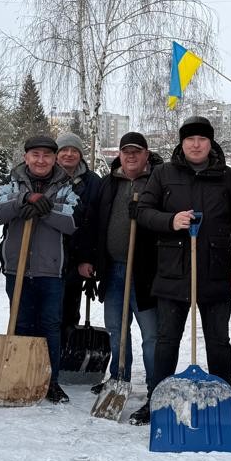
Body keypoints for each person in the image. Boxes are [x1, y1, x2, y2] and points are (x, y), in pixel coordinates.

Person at [131, 116, 231, 428]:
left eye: (202, 139)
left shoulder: (228, 177)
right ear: (181, 143)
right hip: (173, 270)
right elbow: (143, 213)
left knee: (218, 342)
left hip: (214, 270)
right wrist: (171, 221)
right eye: (190, 139)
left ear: (210, 143)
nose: (196, 144)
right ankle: (157, 401)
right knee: (167, 341)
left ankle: (226, 403)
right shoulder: (164, 174)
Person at [0, 134, 81, 403]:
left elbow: (72, 221)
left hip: (51, 270)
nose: (41, 160)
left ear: (54, 159)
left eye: (46, 155)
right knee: (21, 323)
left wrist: (45, 209)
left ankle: (50, 380)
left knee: (50, 326)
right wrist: (23, 201)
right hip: (17, 267)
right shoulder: (12, 182)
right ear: (26, 157)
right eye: (35, 155)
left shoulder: (67, 185)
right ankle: (20, 377)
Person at [79, 131, 163, 392]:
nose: (131, 156)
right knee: (117, 330)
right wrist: (86, 258)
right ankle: (119, 378)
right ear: (119, 155)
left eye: (137, 151)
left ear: (146, 155)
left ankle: (155, 384)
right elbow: (92, 222)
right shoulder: (108, 184)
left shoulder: (158, 182)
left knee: (151, 334)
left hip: (146, 272)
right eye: (126, 151)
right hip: (113, 270)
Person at [55, 132, 101, 353]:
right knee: (47, 313)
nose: (69, 154)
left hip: (76, 256)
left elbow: (95, 224)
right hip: (49, 255)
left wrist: (87, 259)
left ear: (81, 155)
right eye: (64, 149)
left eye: (74, 150)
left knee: (70, 309)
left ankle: (65, 354)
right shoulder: (47, 178)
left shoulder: (93, 183)